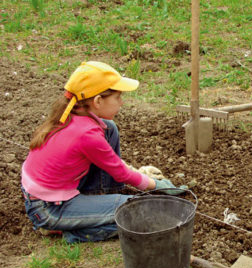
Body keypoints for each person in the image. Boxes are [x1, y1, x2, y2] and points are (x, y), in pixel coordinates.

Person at [21, 61, 185, 243]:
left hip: (50, 193)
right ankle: (69, 231)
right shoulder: (87, 134)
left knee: (110, 128)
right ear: (98, 101)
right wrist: (158, 185)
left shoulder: (72, 114)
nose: (121, 103)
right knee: (139, 213)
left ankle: (101, 199)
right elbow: (121, 173)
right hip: (48, 209)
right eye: (117, 97)